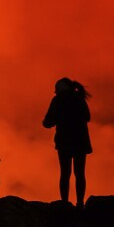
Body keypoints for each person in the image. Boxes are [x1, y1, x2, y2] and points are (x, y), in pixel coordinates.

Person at [42, 77, 91, 207]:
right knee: (80, 173)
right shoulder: (79, 98)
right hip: (80, 141)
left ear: (59, 89)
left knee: (65, 173)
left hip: (64, 142)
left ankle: (64, 203)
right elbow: (87, 117)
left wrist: (59, 119)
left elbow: (47, 122)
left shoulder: (57, 100)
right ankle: (80, 203)